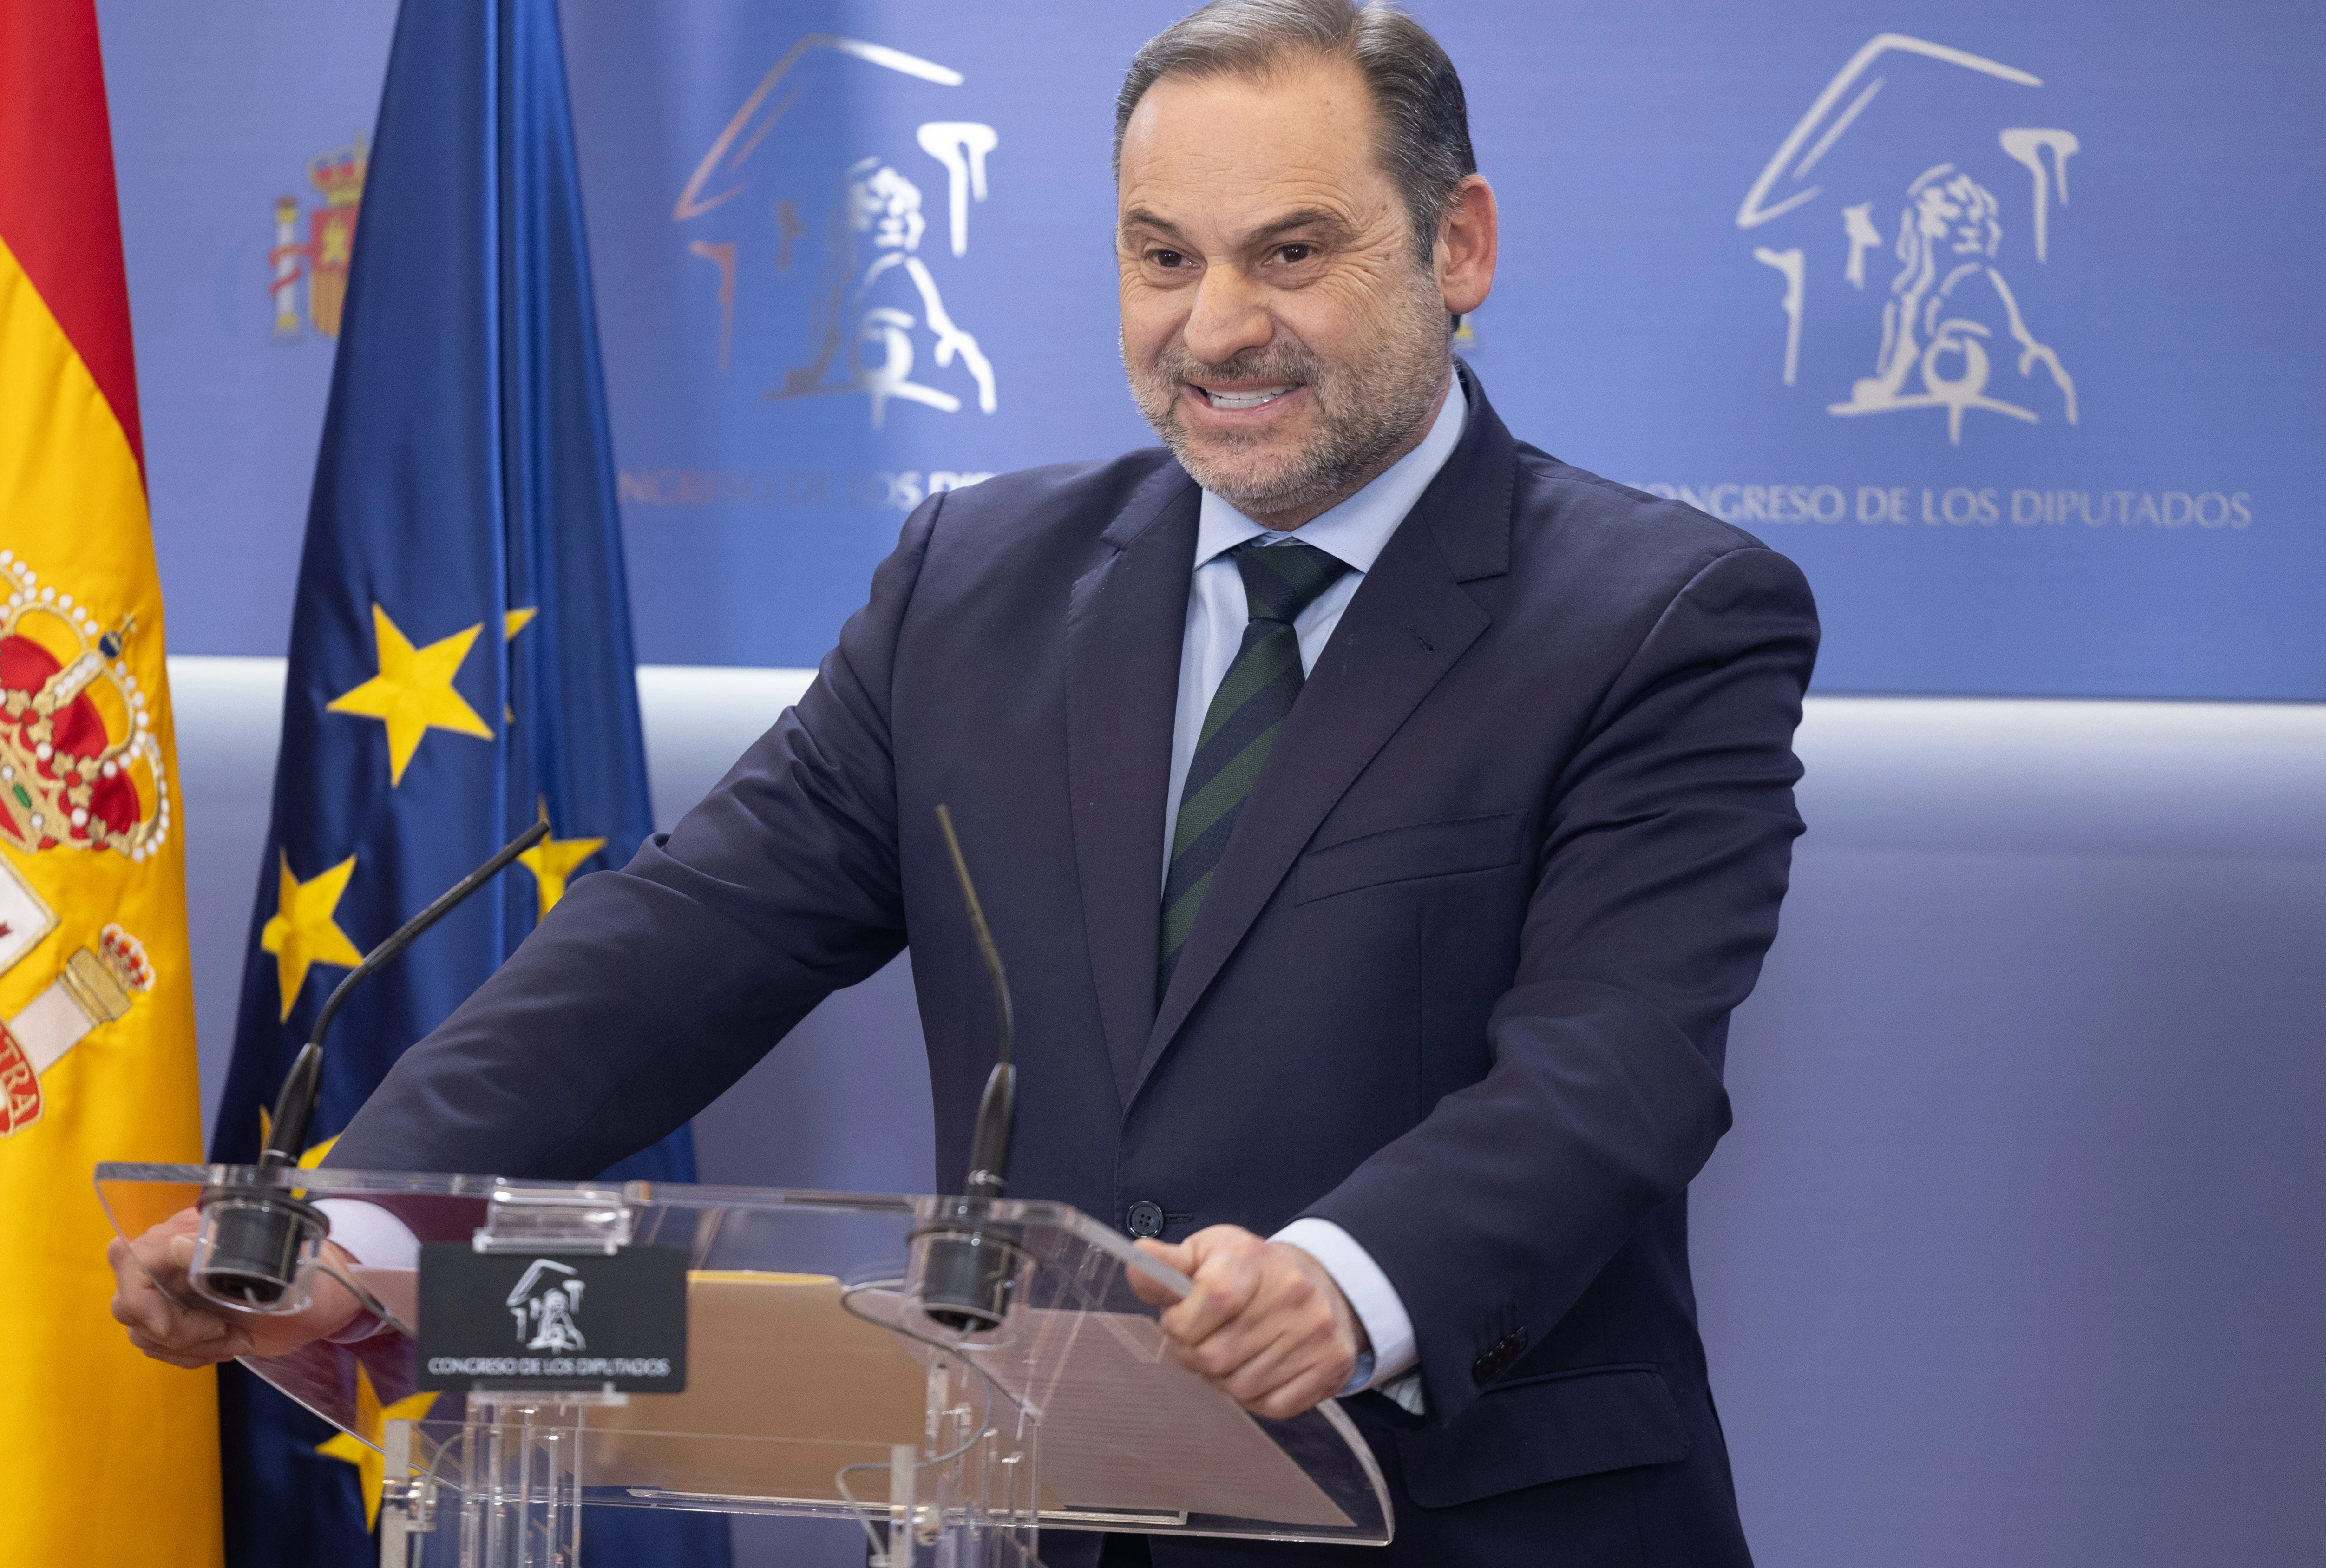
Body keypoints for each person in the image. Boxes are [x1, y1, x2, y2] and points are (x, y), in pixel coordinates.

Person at [114, 2, 1816, 1562]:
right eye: (1163, 257)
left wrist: (1343, 1280)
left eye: (1291, 251)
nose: (1217, 326)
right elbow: (696, 932)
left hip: (1460, 1521)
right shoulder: (979, 583)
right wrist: (353, 1218)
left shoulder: (1662, 618)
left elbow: (1617, 1067)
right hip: (1039, 1507)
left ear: (1461, 246)